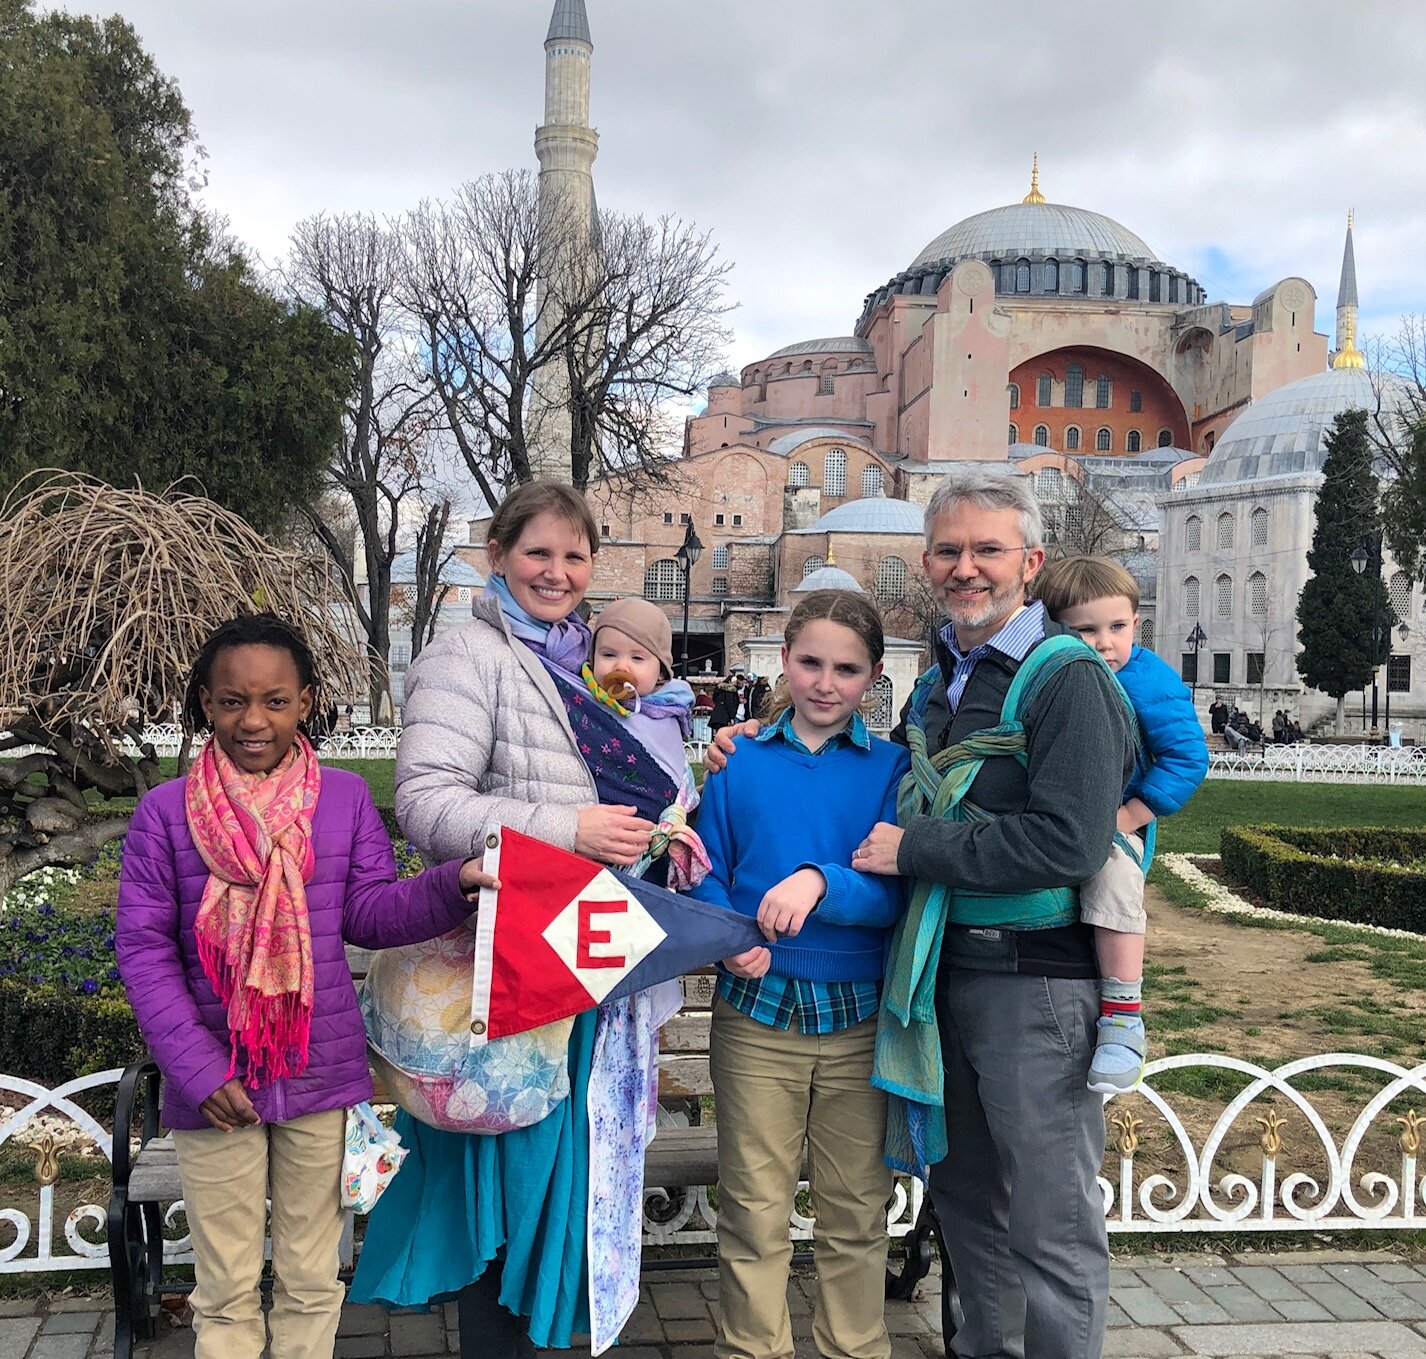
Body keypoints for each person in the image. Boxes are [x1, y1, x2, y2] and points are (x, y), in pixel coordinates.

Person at [708, 467, 1136, 1359]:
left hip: (1036, 980)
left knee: (1051, 1222)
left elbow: (1065, 842)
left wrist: (914, 854)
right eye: (948, 549)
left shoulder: (1068, 679)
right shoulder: (944, 680)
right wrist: (751, 737)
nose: (966, 567)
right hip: (947, 978)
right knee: (970, 1205)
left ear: (1032, 559)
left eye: (987, 548)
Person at [350, 482, 678, 1359]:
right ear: (497, 555)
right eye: (538, 552)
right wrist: (568, 830)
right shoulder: (468, 656)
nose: (557, 572)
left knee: (555, 1198)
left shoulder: (580, 665)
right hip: (500, 982)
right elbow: (425, 803)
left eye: (575, 557)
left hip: (577, 968)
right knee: (510, 1195)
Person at [115, 614, 497, 1359]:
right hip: (216, 1088)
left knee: (311, 1278)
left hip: (318, 1078)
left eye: (275, 700)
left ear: (306, 701)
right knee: (224, 1291)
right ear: (204, 704)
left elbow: (368, 911)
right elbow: (144, 952)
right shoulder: (165, 816)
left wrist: (453, 884)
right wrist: (197, 1069)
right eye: (231, 701)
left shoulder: (346, 799)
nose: (253, 720)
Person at [691, 590, 910, 1359]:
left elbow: (894, 889)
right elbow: (702, 864)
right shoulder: (737, 758)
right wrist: (725, 933)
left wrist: (822, 878)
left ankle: (856, 1345)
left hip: (856, 1016)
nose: (825, 683)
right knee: (754, 1205)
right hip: (756, 1012)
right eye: (810, 662)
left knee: (856, 1207)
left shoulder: (892, 768)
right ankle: (755, 1348)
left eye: (847, 669)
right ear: (783, 660)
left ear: (873, 676)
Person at [1035, 556, 1209, 1093]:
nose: (1105, 642)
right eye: (1086, 630)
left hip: (1115, 821)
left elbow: (1187, 757)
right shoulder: (1051, 671)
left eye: (1117, 627)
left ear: (1137, 624)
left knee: (1113, 886)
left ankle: (1122, 1017)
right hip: (1059, 809)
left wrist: (1128, 817)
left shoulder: (1148, 679)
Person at [583, 595, 707, 885]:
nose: (622, 666)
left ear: (661, 670)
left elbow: (677, 773)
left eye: (637, 658)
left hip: (650, 849)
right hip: (594, 843)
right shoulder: (583, 706)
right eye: (609, 655)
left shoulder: (670, 710)